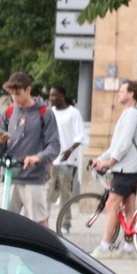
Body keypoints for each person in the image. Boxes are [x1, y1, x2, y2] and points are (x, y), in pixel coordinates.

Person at [91, 78, 137, 256]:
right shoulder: (129, 113)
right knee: (128, 205)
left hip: (127, 168)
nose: (119, 94)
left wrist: (109, 162)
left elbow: (123, 144)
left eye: (122, 91)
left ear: (131, 94)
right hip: (129, 167)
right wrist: (101, 158)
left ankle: (105, 247)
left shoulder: (132, 114)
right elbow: (116, 145)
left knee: (111, 203)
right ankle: (129, 249)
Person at [0, 71, 59, 225]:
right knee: (3, 224)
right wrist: (0, 142)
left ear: (28, 90)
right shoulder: (8, 113)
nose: (15, 98)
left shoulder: (44, 113)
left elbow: (54, 145)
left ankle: (42, 249)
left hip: (34, 179)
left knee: (39, 223)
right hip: (9, 177)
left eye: (18, 93)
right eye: (12, 94)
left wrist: (38, 157)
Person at [47, 84, 89, 237]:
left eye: (54, 95)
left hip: (67, 160)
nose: (51, 98)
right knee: (46, 192)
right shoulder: (49, 113)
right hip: (51, 160)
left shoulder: (73, 113)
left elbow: (80, 136)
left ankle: (66, 222)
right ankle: (44, 222)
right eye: (50, 96)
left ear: (62, 96)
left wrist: (70, 149)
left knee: (65, 193)